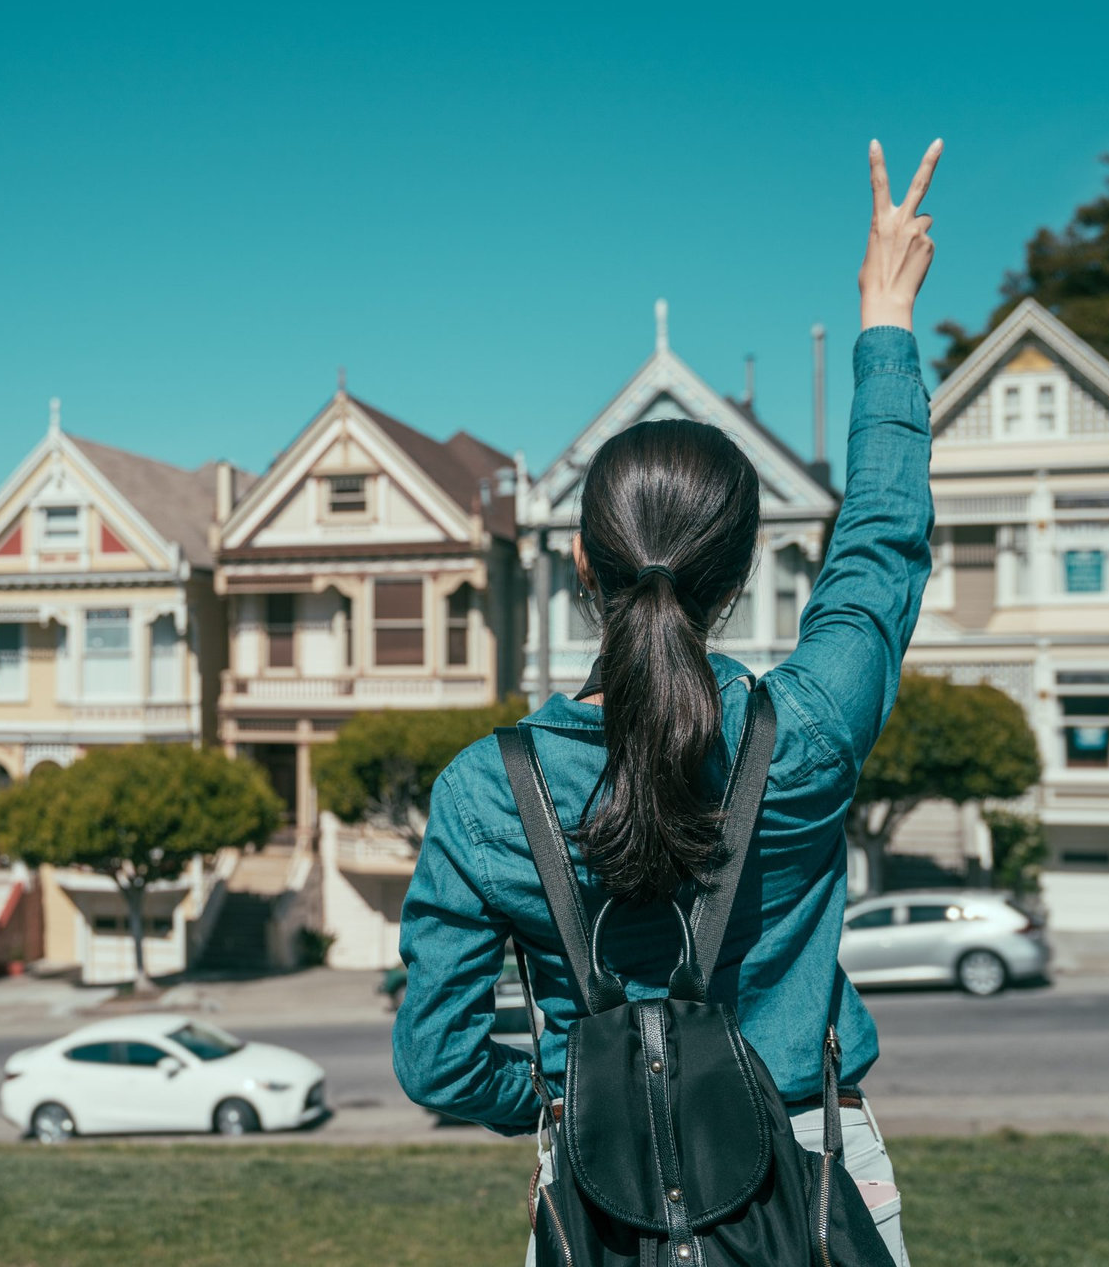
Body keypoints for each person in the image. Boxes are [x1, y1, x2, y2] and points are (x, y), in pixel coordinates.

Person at [391, 138, 942, 1267]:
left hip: (597, 1196)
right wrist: (884, 318)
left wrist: (567, 1092)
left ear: (583, 571)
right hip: (815, 1170)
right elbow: (881, 546)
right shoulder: (808, 734)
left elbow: (439, 1059)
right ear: (738, 582)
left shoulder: (487, 792)